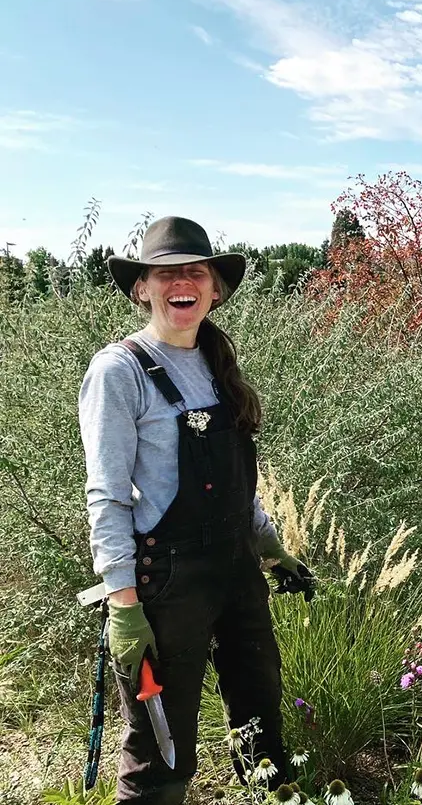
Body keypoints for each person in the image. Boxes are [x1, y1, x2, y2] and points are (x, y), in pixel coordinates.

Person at [79, 216, 315, 803]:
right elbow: (105, 495)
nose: (181, 283)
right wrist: (122, 604)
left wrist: (269, 545)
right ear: (142, 288)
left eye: (195, 272)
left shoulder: (216, 364)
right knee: (162, 744)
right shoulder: (120, 372)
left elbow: (235, 484)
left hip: (236, 573)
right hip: (167, 586)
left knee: (261, 715)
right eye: (166, 273)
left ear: (215, 289)